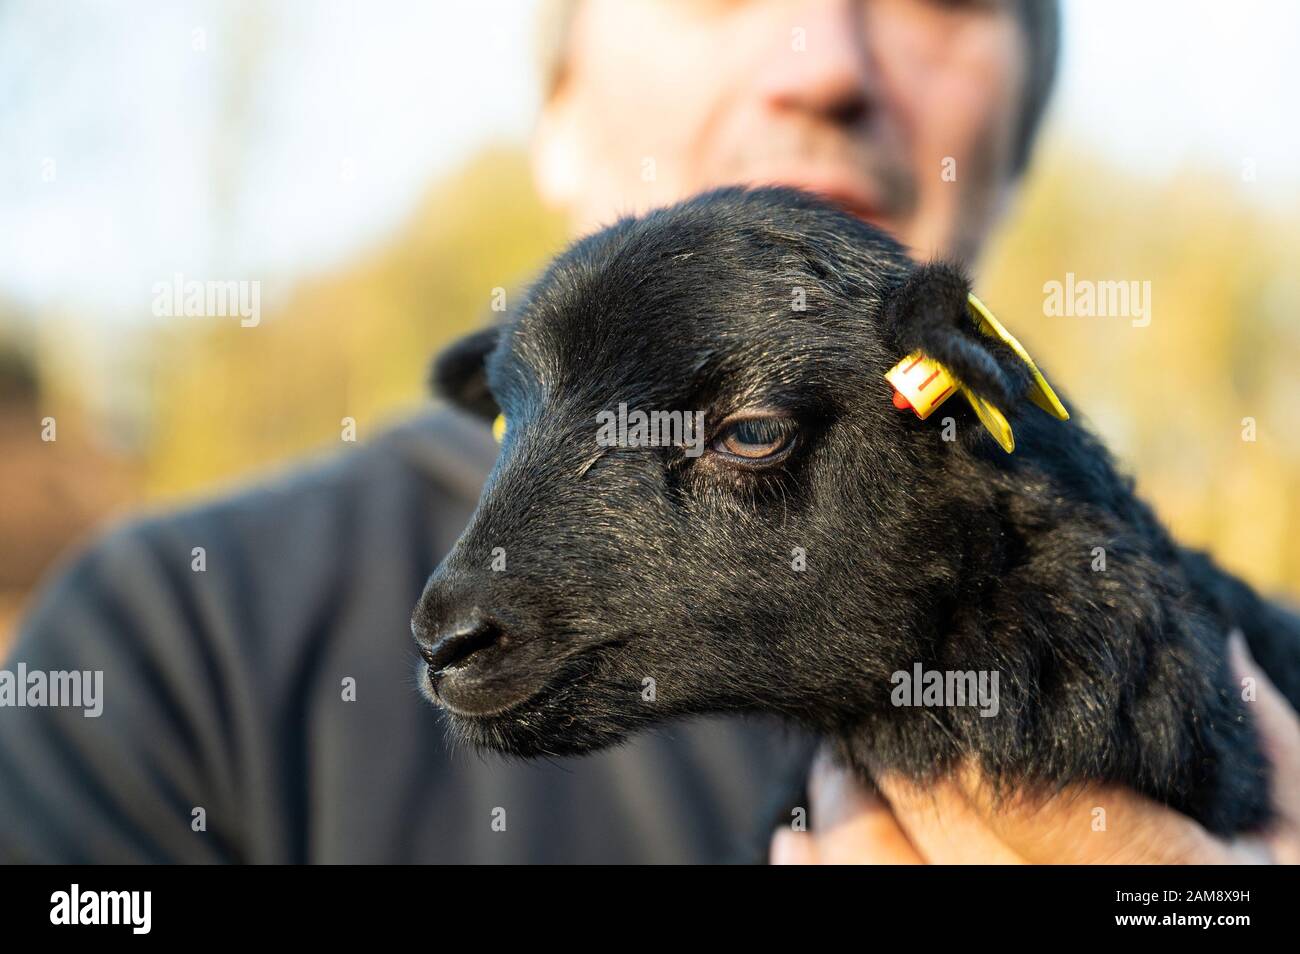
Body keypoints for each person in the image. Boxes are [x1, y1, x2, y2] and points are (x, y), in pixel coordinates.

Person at [2, 0, 1294, 863]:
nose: (823, 59)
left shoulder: (1257, 669)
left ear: (1015, 142)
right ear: (553, 111)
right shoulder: (165, 663)